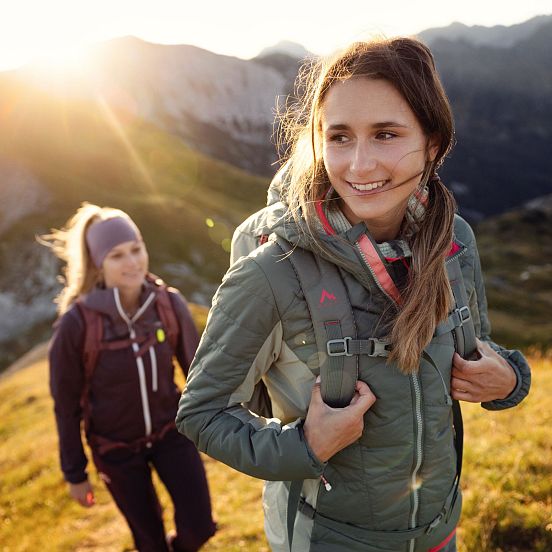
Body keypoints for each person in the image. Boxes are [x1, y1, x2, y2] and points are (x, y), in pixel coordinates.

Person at [176, 38, 531, 552]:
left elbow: (474, 353)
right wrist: (305, 446)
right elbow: (201, 414)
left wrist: (510, 379)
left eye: (386, 134)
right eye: (339, 137)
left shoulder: (455, 242)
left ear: (434, 143)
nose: (360, 165)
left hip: (440, 529)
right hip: (330, 540)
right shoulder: (272, 272)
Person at [45, 203, 216, 552]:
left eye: (136, 249)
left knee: (200, 527)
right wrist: (75, 474)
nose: (132, 262)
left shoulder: (168, 305)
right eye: (117, 255)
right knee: (148, 542)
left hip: (172, 434)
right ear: (98, 265)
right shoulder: (76, 324)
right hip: (116, 450)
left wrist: (217, 427)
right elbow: (65, 407)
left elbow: (199, 373)